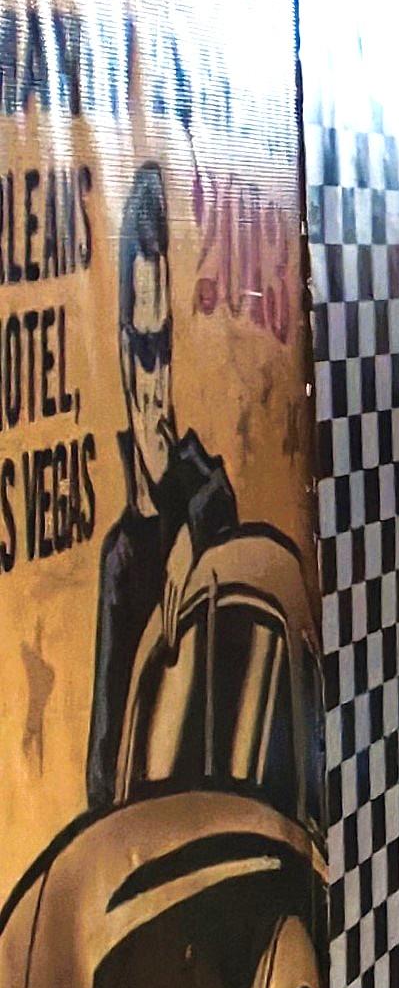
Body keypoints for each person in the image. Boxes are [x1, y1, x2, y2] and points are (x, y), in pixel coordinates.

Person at [87, 160, 234, 808]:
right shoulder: (120, 563)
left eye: (165, 347)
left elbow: (222, 504)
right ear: (123, 360)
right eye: (145, 352)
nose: (158, 381)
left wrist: (189, 538)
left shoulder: (197, 486)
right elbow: (102, 763)